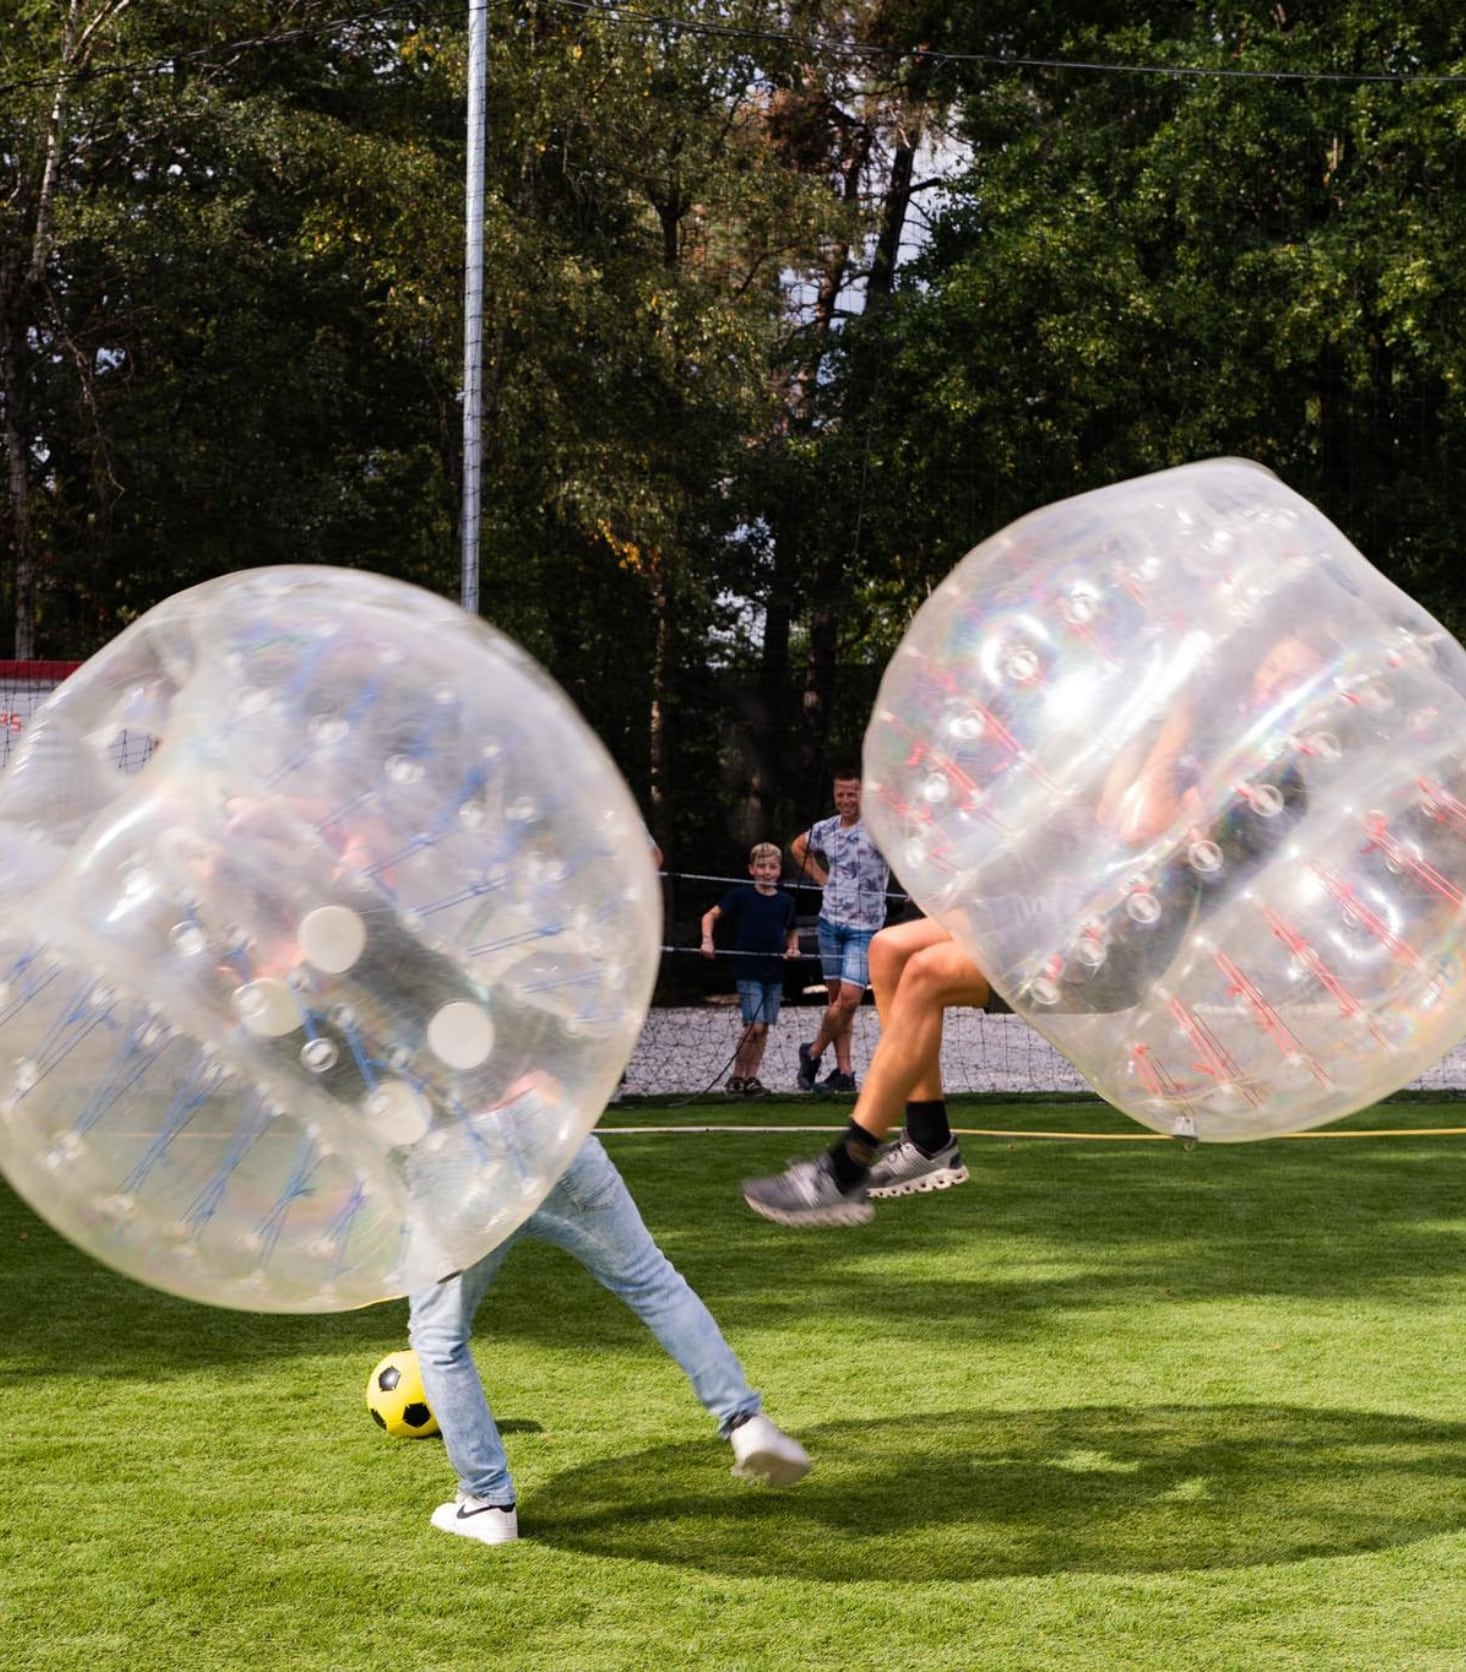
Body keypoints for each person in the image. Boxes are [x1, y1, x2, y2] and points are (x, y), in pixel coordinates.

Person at [742, 636, 1323, 1226]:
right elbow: (1108, 813)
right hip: (1072, 909)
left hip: (1112, 947)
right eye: (1270, 665)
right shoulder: (1218, 747)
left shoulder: (1275, 782)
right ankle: (929, 1142)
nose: (1268, 680)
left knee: (924, 977)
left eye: (1290, 677)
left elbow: (1136, 825)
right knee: (890, 951)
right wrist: (1144, 731)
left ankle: (844, 1170)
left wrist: (1177, 717)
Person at [410, 1132, 811, 1544]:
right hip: (550, 1135)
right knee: (653, 1282)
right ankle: (745, 1420)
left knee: (439, 1336)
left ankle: (487, 1501)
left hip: (460, 1173)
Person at [788, 770, 891, 1093]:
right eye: (841, 795)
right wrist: (821, 878)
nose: (846, 801)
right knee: (836, 1000)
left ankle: (812, 1052)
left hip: (865, 927)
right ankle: (844, 1073)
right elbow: (797, 847)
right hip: (829, 924)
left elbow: (906, 854)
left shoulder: (878, 828)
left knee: (848, 999)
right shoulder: (827, 829)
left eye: (852, 794)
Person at [700, 843, 799, 1096]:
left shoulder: (786, 901)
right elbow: (709, 916)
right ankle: (736, 1075)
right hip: (748, 969)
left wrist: (793, 949)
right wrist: (707, 940)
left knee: (764, 1028)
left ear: (779, 870)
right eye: (761, 867)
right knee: (754, 1025)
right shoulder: (740, 897)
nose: (767, 872)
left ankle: (752, 1078)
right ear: (751, 869)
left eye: (772, 867)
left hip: (773, 971)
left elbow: (791, 932)